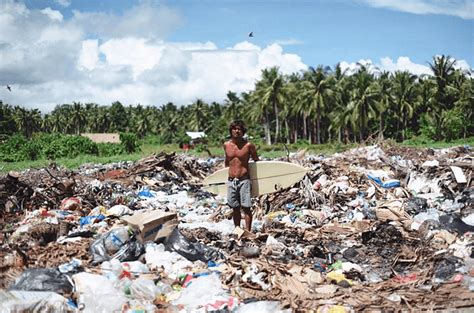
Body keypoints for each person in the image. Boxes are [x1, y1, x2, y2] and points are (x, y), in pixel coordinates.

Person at [223, 120, 259, 232]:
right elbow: (227, 162)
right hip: (231, 180)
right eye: (234, 129)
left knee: (246, 207)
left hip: (244, 180)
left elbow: (256, 161)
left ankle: (248, 232)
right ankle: (237, 230)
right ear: (231, 131)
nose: (236, 131)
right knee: (235, 207)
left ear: (243, 132)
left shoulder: (249, 146)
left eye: (239, 129)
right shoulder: (226, 145)